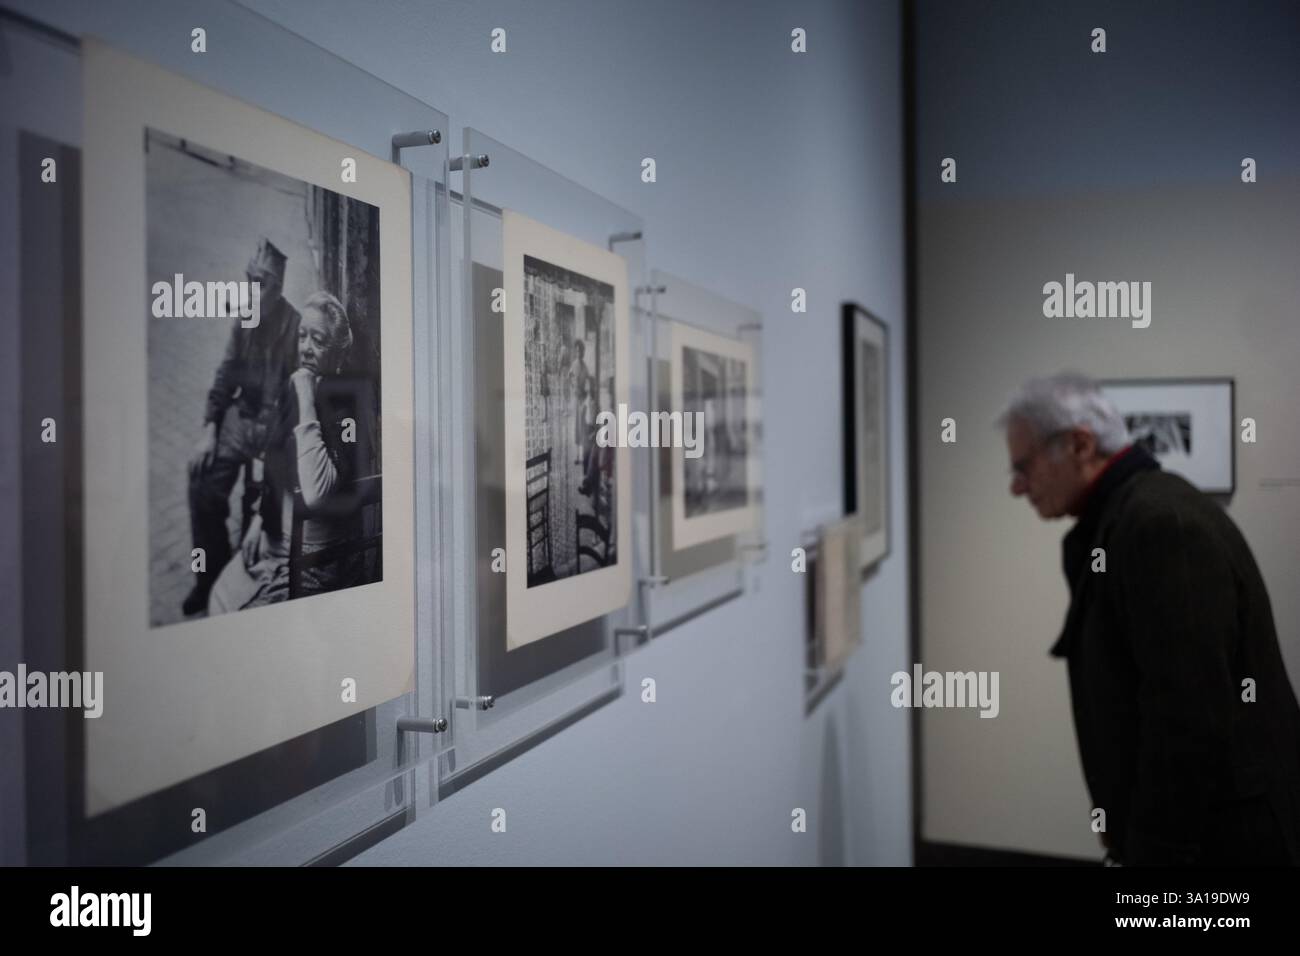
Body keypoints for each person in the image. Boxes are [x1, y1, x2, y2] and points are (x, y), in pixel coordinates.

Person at [1000, 371, 1300, 866]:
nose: (1016, 487)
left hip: (1227, 847)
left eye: (1023, 466)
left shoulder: (1159, 525)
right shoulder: (1131, 516)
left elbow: (1189, 719)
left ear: (1078, 444)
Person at [207, 291, 366, 613]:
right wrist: (257, 521)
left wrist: (307, 398)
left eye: (318, 340)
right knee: (219, 597)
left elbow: (317, 493)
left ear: (338, 353)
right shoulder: (294, 385)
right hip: (277, 534)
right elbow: (274, 460)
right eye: (302, 336)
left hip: (315, 555)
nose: (305, 348)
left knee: (233, 614)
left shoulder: (348, 401)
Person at [184, 238, 301, 615]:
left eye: (260, 283)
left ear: (278, 289)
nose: (251, 290)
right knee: (201, 480)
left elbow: (294, 411)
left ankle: (243, 582)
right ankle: (209, 577)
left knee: (261, 514)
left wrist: (272, 467)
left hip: (275, 431)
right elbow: (225, 374)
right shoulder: (243, 319)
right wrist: (209, 429)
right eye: (248, 279)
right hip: (243, 417)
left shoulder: (295, 328)